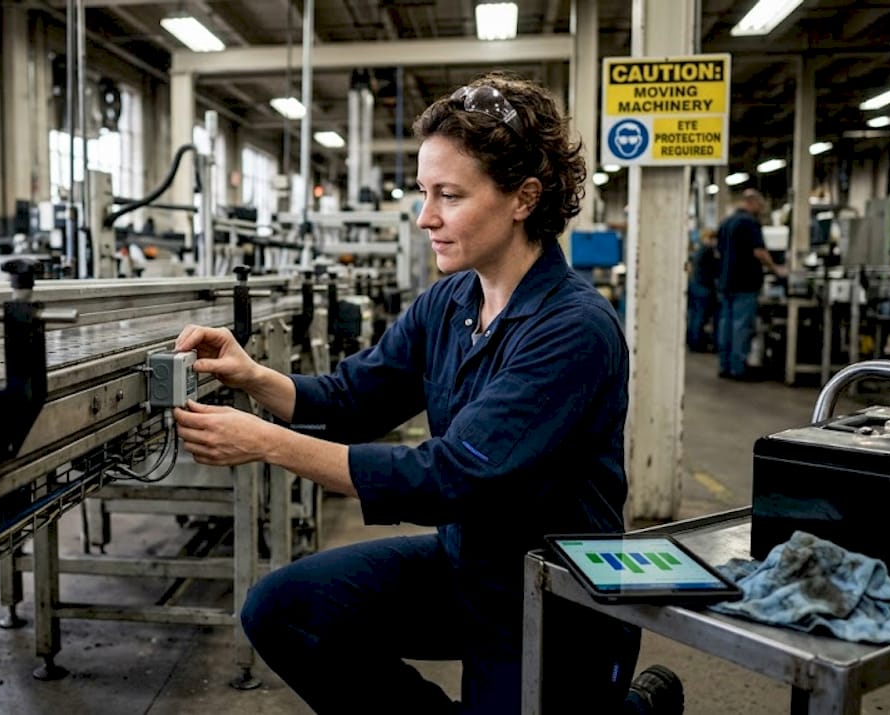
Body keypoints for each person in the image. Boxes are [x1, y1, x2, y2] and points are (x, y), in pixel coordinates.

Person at [171, 71, 681, 714]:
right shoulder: (450, 301)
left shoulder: (573, 328)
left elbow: (456, 474)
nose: (425, 217)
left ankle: (632, 706)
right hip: (472, 566)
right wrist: (255, 376)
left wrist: (270, 445)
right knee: (286, 611)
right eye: (423, 192)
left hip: (556, 595)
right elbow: (356, 395)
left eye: (449, 195)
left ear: (523, 198)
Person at [716, 188, 784, 380]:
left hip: (726, 281)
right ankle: (738, 368)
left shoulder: (726, 223)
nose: (761, 210)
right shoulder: (750, 222)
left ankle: (725, 366)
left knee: (725, 324)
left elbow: (719, 252)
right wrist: (776, 269)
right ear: (753, 203)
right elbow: (759, 252)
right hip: (744, 282)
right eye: (760, 206)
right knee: (741, 326)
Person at [686, 229, 719, 352]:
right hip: (703, 287)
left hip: (696, 285)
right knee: (699, 317)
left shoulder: (700, 250)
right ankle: (697, 344)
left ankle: (694, 342)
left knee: (695, 316)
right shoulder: (708, 250)